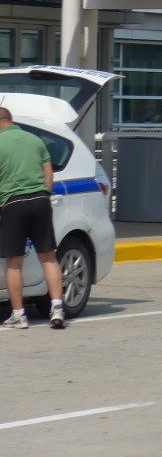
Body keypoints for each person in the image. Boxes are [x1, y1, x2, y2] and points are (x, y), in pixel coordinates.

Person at [0, 106, 66, 329]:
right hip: (40, 201)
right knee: (48, 258)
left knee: (14, 263)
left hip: (13, 204)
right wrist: (44, 195)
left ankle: (19, 315)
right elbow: (49, 173)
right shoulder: (35, 140)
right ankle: (57, 308)